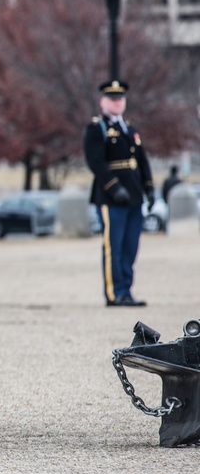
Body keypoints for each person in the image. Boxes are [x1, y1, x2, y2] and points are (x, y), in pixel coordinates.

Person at [83, 80, 154, 307]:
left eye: (120, 98)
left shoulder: (130, 129)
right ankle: (115, 294)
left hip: (133, 195)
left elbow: (142, 161)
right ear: (103, 102)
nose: (117, 102)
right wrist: (115, 187)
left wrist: (149, 188)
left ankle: (127, 290)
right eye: (112, 98)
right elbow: (96, 162)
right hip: (111, 197)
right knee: (114, 246)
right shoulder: (97, 128)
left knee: (130, 246)